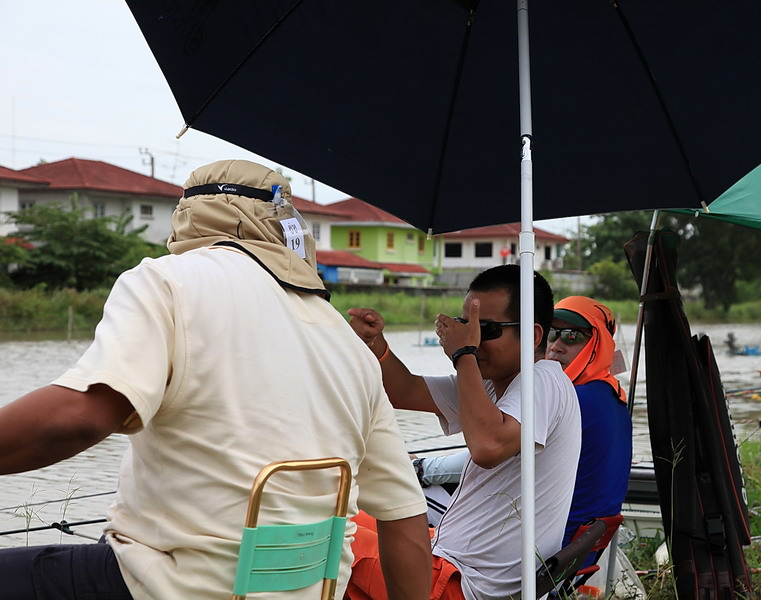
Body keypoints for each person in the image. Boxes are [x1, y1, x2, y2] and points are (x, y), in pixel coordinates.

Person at [0, 160, 430, 600]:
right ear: (287, 228)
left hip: (166, 587)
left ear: (187, 216)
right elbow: (406, 521)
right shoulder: (347, 342)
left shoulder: (166, 280)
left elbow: (79, 417)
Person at [348, 265, 581, 600]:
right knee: (354, 513)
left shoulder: (544, 379)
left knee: (328, 534)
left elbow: (487, 447)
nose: (473, 338)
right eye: (466, 326)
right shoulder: (491, 384)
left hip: (465, 586)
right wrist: (376, 346)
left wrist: (463, 354)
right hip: (449, 561)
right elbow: (405, 391)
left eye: (485, 329)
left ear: (533, 335)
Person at [413, 296, 632, 548]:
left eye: (572, 336)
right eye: (552, 334)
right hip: (577, 546)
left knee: (408, 494)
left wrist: (421, 469)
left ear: (599, 345)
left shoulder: (574, 397)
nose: (556, 346)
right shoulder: (609, 394)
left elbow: (488, 451)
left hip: (548, 547)